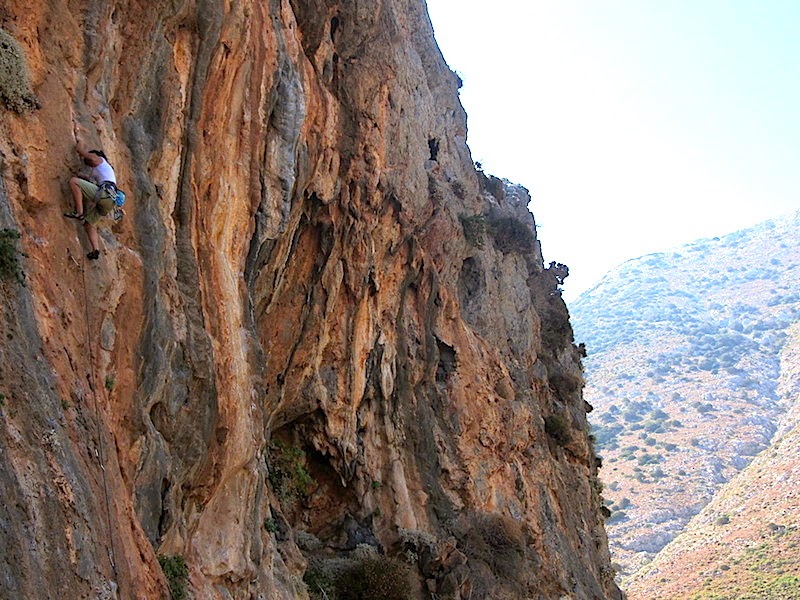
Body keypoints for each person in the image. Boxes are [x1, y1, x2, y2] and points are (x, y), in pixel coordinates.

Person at [64, 142, 118, 260]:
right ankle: (95, 250)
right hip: (109, 201)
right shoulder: (103, 171)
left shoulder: (100, 160)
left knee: (74, 181)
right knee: (89, 223)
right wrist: (84, 178)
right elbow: (91, 184)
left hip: (105, 195)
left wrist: (79, 147)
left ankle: (79, 212)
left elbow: (86, 154)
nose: (87, 162)